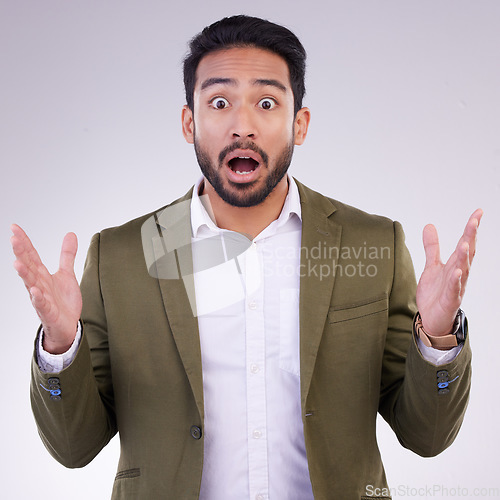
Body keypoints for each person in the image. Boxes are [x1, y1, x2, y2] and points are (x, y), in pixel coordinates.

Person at [11, 15, 482, 500]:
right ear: (189, 122)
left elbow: (426, 437)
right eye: (219, 102)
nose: (243, 125)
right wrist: (60, 345)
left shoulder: (372, 245)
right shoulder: (123, 256)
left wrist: (440, 338)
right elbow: (74, 447)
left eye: (266, 102)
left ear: (299, 124)